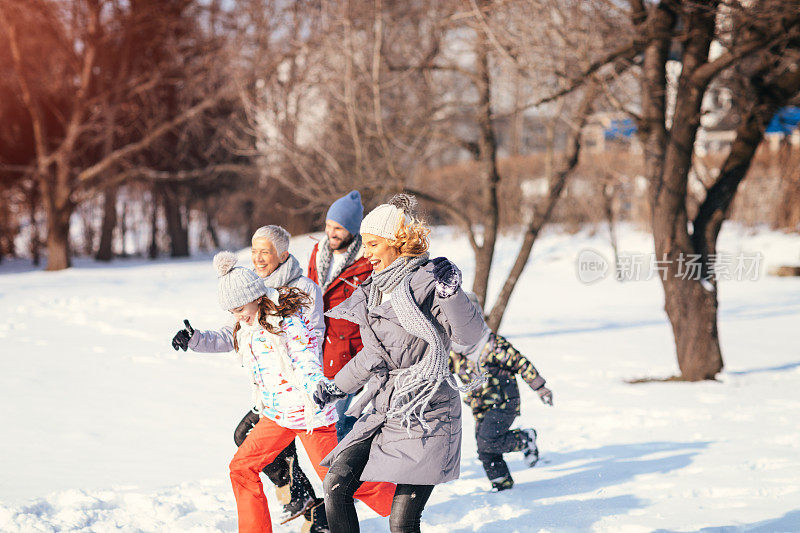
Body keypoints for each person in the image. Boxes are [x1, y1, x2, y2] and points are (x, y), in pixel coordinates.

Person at [313, 193, 486, 533]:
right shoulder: (375, 291)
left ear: (396, 243)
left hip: (427, 412)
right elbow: (374, 356)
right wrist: (336, 386)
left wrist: (453, 294)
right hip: (386, 408)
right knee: (335, 485)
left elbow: (470, 336)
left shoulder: (430, 283)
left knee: (401, 522)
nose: (367, 253)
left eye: (374, 244)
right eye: (365, 244)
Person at [207, 251, 394, 533]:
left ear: (256, 296)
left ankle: (402, 501)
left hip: (309, 415)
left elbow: (305, 359)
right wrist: (195, 339)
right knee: (241, 468)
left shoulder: (289, 322)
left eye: (239, 308)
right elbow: (224, 339)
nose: (237, 316)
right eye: (231, 311)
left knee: (336, 479)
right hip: (276, 415)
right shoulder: (247, 327)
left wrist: (316, 385)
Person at [171, 225, 324, 525]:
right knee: (245, 442)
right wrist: (196, 339)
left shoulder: (301, 290)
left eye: (264, 251)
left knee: (332, 471)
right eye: (253, 251)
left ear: (283, 255)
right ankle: (303, 501)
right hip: (274, 398)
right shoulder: (249, 288)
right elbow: (234, 334)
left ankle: (317, 506)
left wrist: (271, 307)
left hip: (305, 392)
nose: (257, 257)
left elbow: (305, 341)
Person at [448, 292, 554, 492]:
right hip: (480, 407)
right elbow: (438, 371)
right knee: (484, 449)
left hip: (504, 403)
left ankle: (525, 439)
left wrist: (540, 386)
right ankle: (502, 484)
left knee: (487, 441)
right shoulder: (453, 352)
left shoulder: (492, 344)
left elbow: (521, 363)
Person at [307, 190, 372, 441]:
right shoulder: (318, 251)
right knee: (323, 425)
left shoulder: (365, 262)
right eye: (328, 225)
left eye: (338, 228)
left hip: (349, 356)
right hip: (317, 350)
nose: (331, 233)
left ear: (353, 229)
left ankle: (350, 479)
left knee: (338, 426)